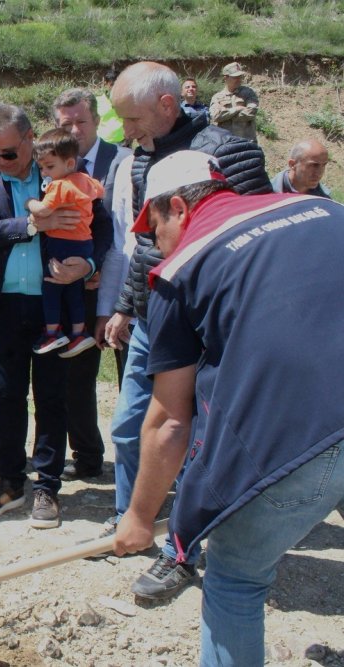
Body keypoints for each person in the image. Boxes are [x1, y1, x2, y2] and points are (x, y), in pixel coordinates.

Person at [114, 149, 344, 667]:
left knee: (235, 576)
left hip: (302, 435)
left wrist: (138, 516)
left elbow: (170, 420)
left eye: (152, 230)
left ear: (176, 207)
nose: (154, 246)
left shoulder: (180, 271)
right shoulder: (326, 213)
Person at [101, 60, 270, 600]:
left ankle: (182, 548)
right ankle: (135, 521)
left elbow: (254, 235)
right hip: (156, 314)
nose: (126, 132)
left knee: (193, 440)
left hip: (206, 322)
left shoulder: (230, 150)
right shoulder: (143, 156)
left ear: (167, 105)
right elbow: (145, 240)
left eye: (132, 119)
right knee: (131, 427)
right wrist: (127, 306)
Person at [0, 103, 113, 529]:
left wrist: (88, 266)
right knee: (5, 397)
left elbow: (102, 228)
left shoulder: (64, 173)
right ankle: (10, 482)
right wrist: (32, 225)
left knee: (52, 397)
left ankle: (47, 486)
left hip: (55, 307)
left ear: (30, 140)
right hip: (2, 306)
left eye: (8, 153)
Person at [51, 87, 132, 481]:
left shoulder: (123, 161)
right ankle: (86, 456)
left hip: (121, 290)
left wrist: (94, 263)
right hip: (74, 292)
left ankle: (138, 463)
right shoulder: (51, 166)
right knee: (76, 379)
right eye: (66, 123)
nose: (75, 129)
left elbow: (121, 228)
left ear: (97, 121)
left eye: (81, 121)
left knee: (131, 378)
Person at [27, 128, 104, 358]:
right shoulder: (85, 180)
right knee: (73, 289)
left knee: (51, 286)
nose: (44, 173)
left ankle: (53, 332)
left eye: (49, 167)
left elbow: (43, 210)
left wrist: (30, 202)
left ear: (70, 163)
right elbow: (101, 192)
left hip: (61, 242)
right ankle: (79, 332)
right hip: (84, 245)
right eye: (41, 168)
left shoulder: (60, 185)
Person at [209, 62, 259, 141]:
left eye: (240, 76)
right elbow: (215, 116)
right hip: (226, 142)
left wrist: (226, 116)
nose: (239, 79)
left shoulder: (248, 93)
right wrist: (237, 109)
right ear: (226, 78)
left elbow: (251, 112)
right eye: (235, 77)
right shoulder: (217, 97)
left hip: (247, 141)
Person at [96, 70, 125, 145]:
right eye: (112, 84)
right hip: (102, 143)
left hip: (123, 143)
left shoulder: (126, 101)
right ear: (106, 84)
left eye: (117, 85)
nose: (115, 88)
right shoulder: (97, 101)